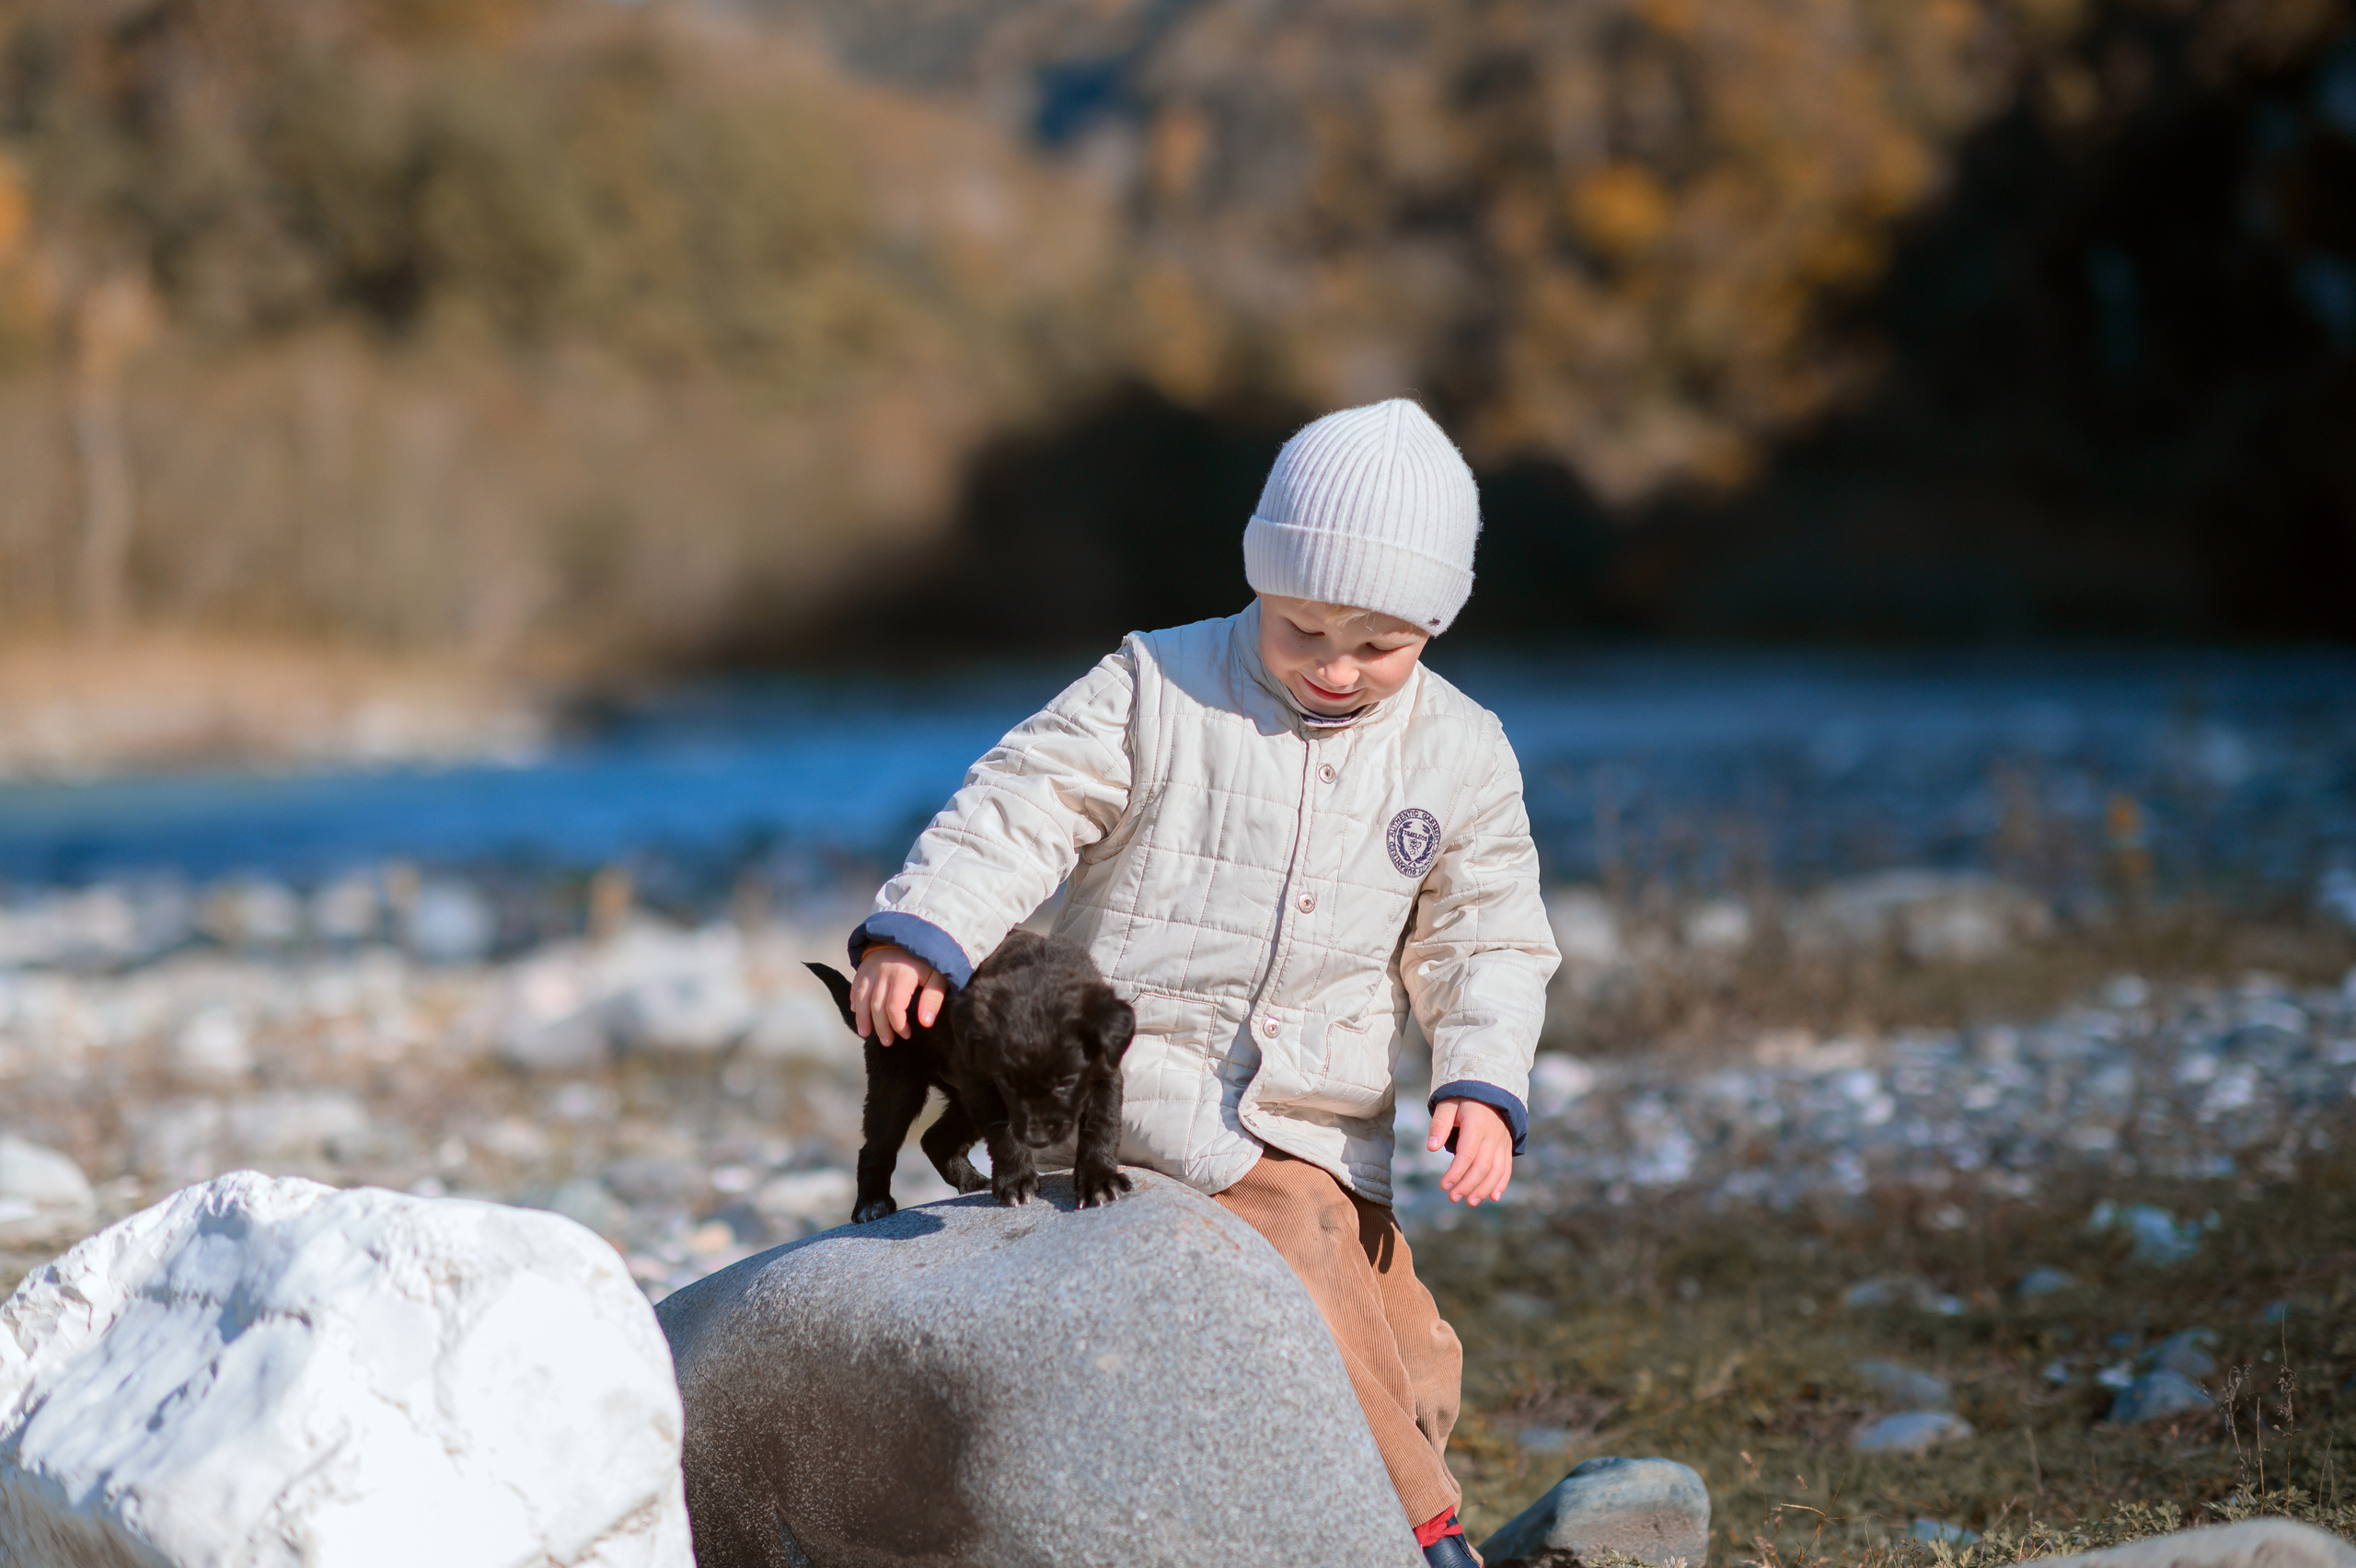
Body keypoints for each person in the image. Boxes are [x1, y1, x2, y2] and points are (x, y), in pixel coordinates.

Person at [844, 398, 1560, 1566]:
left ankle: (1362, 1518)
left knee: (1410, 1338)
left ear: (1435, 623)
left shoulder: (1460, 751)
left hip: (1320, 1119)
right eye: (1302, 629)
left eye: (1378, 646)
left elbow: (1486, 938)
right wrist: (927, 932)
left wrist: (1480, 1079)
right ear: (1259, 581)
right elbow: (1019, 805)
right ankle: (1423, 1538)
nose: (1335, 668)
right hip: (1139, 1084)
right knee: (1295, 1236)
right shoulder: (1155, 688)